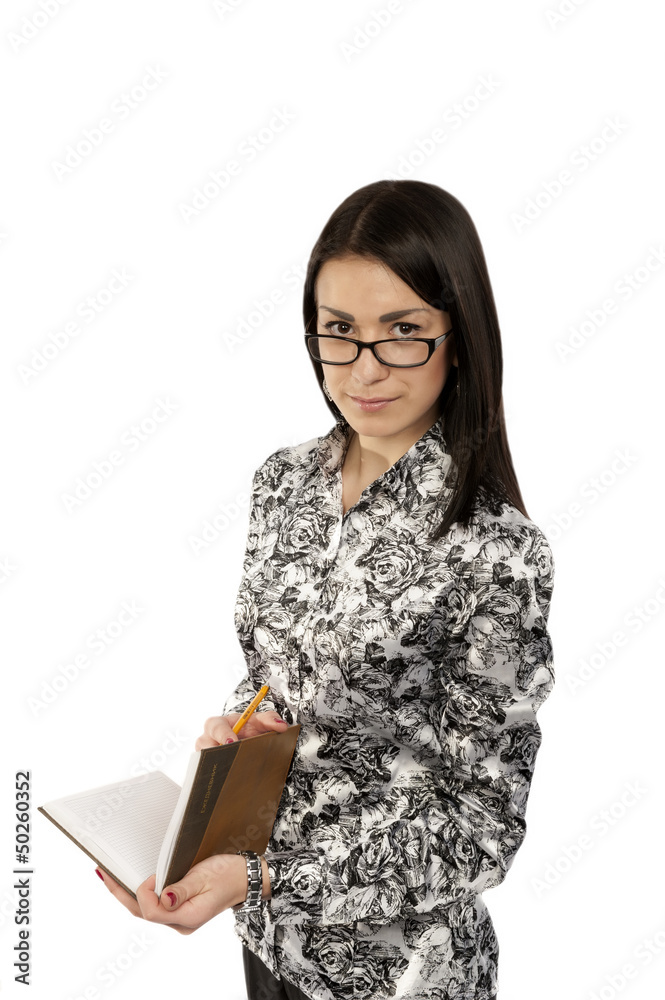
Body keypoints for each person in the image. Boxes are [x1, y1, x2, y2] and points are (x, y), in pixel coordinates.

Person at [100, 179, 555, 1000]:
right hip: (268, 942)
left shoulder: (498, 552)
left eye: (403, 333)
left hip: (401, 970)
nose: (364, 370)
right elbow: (275, 678)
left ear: (458, 339)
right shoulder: (283, 484)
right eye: (339, 332)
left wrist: (268, 875)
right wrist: (242, 736)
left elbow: (482, 827)